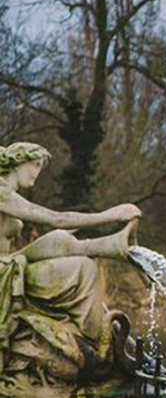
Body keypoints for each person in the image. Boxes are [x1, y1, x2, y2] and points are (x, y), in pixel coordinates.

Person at [0, 142, 141, 383]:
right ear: (17, 161)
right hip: (4, 273)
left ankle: (110, 246)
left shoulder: (9, 196)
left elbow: (60, 225)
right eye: (34, 165)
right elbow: (56, 218)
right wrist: (111, 215)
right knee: (83, 267)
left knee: (61, 240)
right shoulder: (1, 193)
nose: (37, 172)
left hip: (11, 264)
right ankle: (96, 338)